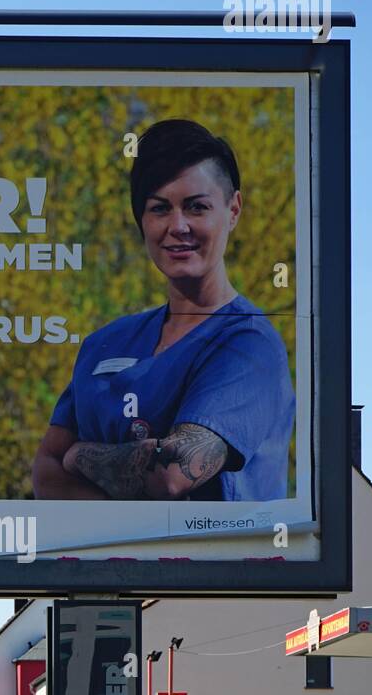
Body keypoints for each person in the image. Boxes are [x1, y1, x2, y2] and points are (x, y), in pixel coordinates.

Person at [32, 119, 295, 504]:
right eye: (159, 209)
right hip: (99, 565)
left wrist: (77, 455)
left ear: (233, 209)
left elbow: (172, 476)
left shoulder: (250, 345)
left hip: (217, 565)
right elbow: (45, 473)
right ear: (142, 220)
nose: (178, 226)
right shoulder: (103, 345)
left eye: (196, 207)